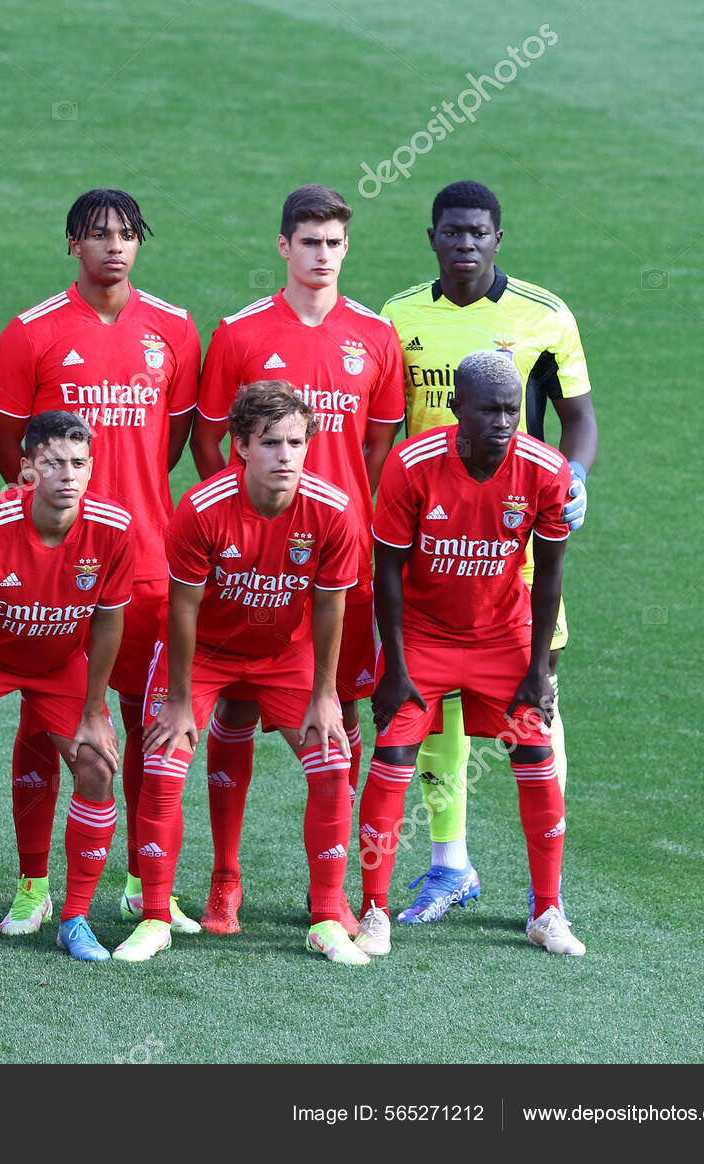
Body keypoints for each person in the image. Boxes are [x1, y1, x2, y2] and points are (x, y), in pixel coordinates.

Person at [0, 188, 201, 936]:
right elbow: (7, 449)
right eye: (98, 234)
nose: (114, 246)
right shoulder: (30, 333)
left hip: (141, 563)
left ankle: (148, 885)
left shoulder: (173, 329)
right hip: (48, 571)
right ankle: (32, 882)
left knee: (144, 727)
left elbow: (169, 448)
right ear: (71, 244)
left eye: (127, 234)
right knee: (46, 726)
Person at [380, 180, 597, 924]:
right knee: (429, 707)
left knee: (539, 697)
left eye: (479, 232)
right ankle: (449, 864)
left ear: (498, 238)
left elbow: (580, 418)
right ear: (433, 237)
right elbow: (384, 429)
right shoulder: (399, 315)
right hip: (430, 542)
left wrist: (574, 480)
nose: (465, 243)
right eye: (452, 231)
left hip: (517, 541)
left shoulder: (544, 315)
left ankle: (550, 890)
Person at [190, 184, 403, 935]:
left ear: (347, 248)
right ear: (283, 246)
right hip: (254, 566)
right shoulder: (242, 332)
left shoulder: (375, 336)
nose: (322, 255)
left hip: (338, 566)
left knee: (339, 721)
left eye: (334, 243)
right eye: (308, 242)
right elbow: (212, 444)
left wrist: (337, 517)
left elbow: (377, 450)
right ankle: (224, 879)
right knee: (239, 708)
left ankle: (338, 894)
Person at [354, 351, 584, 958]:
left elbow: (550, 576)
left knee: (535, 754)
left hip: (502, 637)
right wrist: (394, 668)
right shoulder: (412, 464)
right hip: (424, 637)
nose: (504, 422)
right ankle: (374, 909)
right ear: (457, 408)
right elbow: (389, 572)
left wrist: (538, 671)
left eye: (512, 410)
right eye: (490, 410)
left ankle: (547, 909)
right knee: (393, 757)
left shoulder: (545, 469)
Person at [126, 382, 362, 964]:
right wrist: (180, 701)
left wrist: (326, 695)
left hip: (284, 655)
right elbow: (181, 609)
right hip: (202, 654)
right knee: (162, 762)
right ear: (240, 447)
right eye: (271, 443)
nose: (286, 455)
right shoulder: (202, 510)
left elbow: (331, 607)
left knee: (332, 764)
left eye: (296, 442)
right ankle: (154, 915)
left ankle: (327, 916)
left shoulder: (332, 511)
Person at [0, 411, 132, 964]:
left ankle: (75, 918)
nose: (68, 475)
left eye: (80, 464)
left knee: (97, 763)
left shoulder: (114, 526)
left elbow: (109, 622)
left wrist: (94, 710)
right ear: (27, 470)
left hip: (59, 658)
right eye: (53, 463)